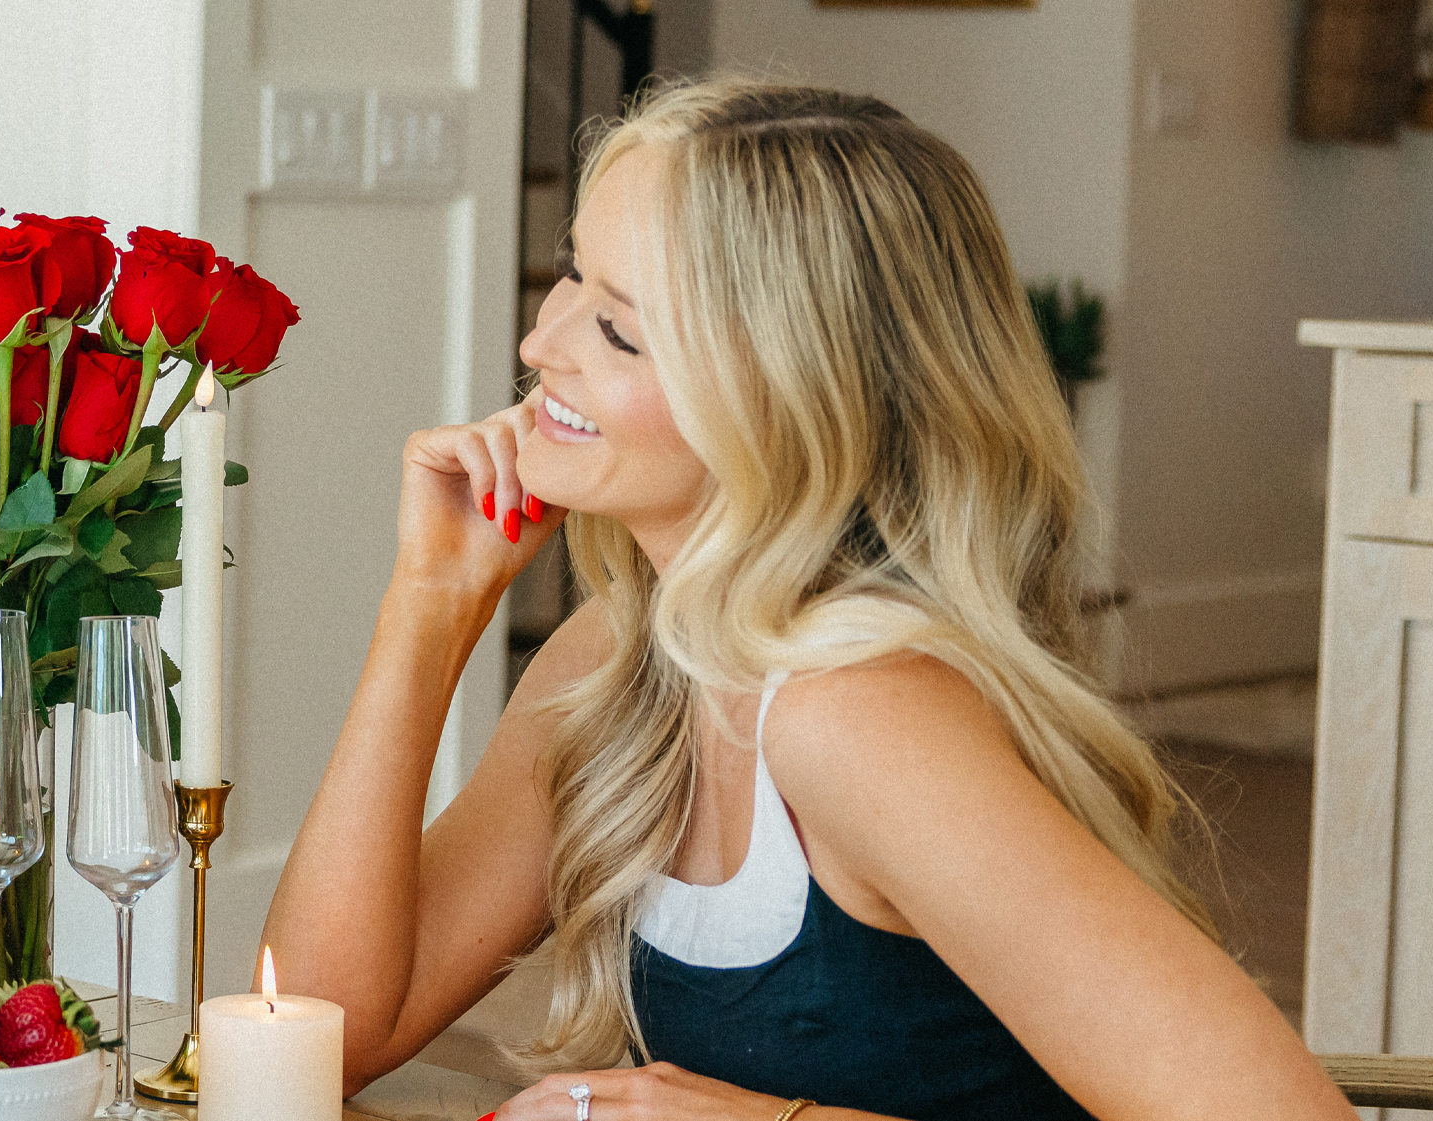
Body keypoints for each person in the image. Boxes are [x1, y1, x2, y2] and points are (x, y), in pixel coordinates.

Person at [259, 80, 1353, 1121]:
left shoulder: (856, 715)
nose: (539, 344)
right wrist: (429, 602)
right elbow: (323, 1033)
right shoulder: (623, 659)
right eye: (571, 278)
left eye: (619, 330)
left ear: (787, 395)